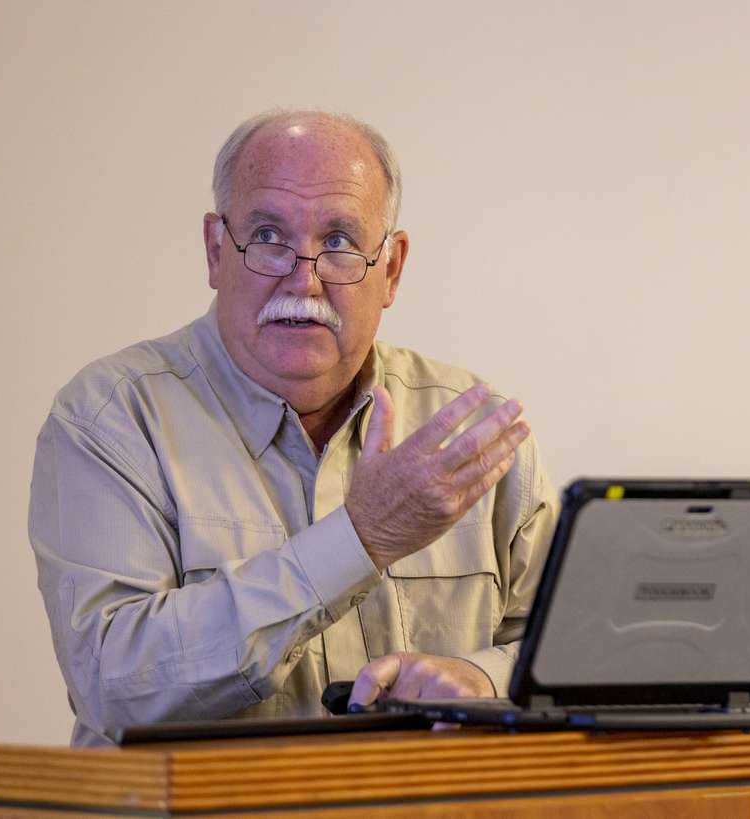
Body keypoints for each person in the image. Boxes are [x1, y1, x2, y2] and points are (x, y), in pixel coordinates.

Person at [28, 110, 558, 746]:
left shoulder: (465, 430)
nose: (303, 279)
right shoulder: (112, 418)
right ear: (216, 250)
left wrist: (480, 678)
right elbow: (113, 684)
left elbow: (571, 655)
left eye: (338, 241)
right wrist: (360, 540)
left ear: (390, 269)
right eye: (269, 237)